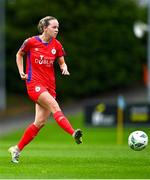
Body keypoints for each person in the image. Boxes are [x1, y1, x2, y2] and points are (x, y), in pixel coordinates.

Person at [8, 16, 83, 163]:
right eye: (54, 27)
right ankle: (73, 133)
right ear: (45, 28)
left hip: (49, 86)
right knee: (55, 106)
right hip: (34, 84)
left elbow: (61, 61)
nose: (57, 30)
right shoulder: (31, 42)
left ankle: (16, 149)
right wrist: (21, 71)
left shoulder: (57, 45)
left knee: (40, 123)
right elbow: (19, 54)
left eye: (58, 27)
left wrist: (64, 67)